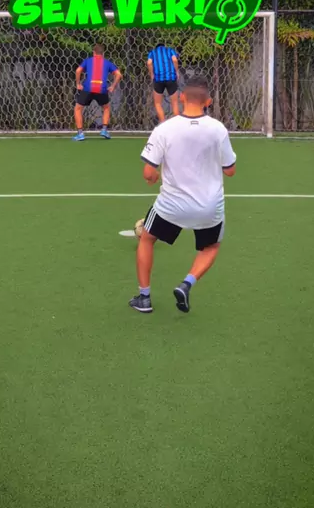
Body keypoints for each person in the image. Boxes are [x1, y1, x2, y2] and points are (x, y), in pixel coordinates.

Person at [129, 76, 236, 314]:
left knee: (147, 238)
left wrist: (153, 177)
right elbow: (230, 170)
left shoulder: (164, 129)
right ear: (208, 101)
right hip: (208, 207)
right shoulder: (218, 129)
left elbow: (148, 172)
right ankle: (187, 284)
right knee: (211, 246)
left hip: (171, 206)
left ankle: (144, 298)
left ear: (181, 98)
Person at [73, 44, 122, 140]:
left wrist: (78, 84)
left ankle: (80, 134)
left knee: (78, 108)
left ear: (93, 52)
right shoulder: (107, 62)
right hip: (101, 89)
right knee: (106, 107)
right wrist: (113, 86)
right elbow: (119, 74)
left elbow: (78, 71)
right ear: (103, 53)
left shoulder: (88, 61)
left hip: (88, 88)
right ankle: (104, 130)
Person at [147, 43, 180, 123]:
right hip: (171, 78)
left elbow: (149, 63)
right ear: (164, 46)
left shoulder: (152, 52)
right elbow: (175, 60)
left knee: (158, 103)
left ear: (156, 47)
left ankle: (163, 123)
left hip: (158, 79)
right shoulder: (170, 50)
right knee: (175, 103)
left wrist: (152, 74)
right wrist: (176, 71)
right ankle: (177, 124)